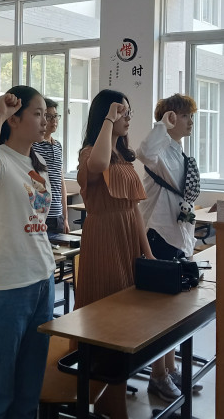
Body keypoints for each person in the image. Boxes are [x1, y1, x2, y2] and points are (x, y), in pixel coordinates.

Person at [0, 86, 55, 419]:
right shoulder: (0, 158)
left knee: (29, 387)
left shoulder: (38, 162)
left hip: (42, 278)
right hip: (8, 286)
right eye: (37, 114)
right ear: (15, 120)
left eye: (46, 115)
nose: (45, 121)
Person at [75, 89, 154, 419]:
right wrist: (109, 118)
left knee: (126, 318)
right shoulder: (91, 153)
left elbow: (133, 208)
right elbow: (97, 164)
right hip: (104, 237)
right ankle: (106, 395)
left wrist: (147, 251)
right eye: (122, 112)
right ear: (104, 116)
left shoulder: (124, 157)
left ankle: (113, 392)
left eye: (128, 112)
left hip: (127, 237)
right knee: (107, 316)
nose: (128, 117)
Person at [136, 94, 201, 402]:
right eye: (185, 116)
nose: (190, 121)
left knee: (174, 308)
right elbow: (143, 151)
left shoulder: (178, 151)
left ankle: (170, 368)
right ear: (171, 118)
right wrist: (162, 124)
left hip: (177, 235)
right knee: (160, 310)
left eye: (190, 116)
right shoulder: (159, 149)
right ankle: (158, 375)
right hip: (159, 235)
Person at [32, 98, 69, 236]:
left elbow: (61, 182)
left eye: (56, 116)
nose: (54, 121)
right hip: (40, 215)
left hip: (57, 215)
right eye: (49, 117)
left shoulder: (58, 146)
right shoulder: (33, 145)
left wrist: (65, 217)